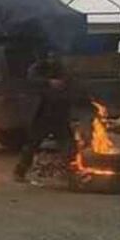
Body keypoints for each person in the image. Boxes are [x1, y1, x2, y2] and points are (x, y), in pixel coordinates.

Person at [13, 50, 75, 182]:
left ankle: (71, 172)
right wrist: (48, 82)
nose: (52, 59)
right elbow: (32, 80)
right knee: (32, 144)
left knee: (68, 145)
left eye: (55, 57)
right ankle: (20, 171)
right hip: (42, 114)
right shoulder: (37, 68)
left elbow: (69, 81)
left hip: (59, 114)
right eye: (50, 57)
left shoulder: (61, 69)